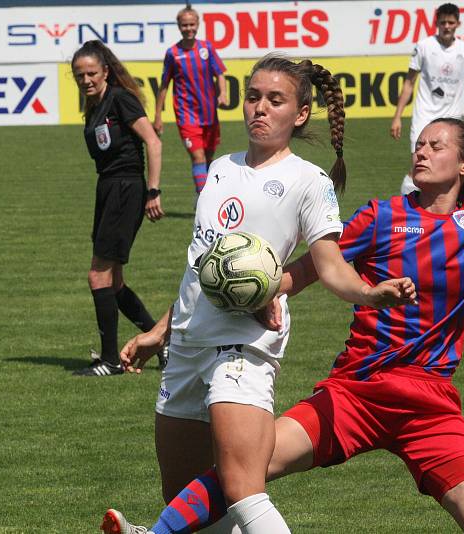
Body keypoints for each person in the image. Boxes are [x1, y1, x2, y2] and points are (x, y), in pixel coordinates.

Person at [102, 44, 464, 533]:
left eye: (436, 146)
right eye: (420, 144)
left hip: (430, 401)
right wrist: (264, 291)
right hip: (356, 391)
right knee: (245, 469)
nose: (421, 151)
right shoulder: (381, 216)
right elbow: (313, 267)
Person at [100, 54, 417, 534]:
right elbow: (201, 268)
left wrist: (370, 294)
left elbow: (329, 266)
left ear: (301, 113)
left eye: (275, 100)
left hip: (242, 346)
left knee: (241, 487)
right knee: (185, 501)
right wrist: (158, 333)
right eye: (253, 97)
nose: (259, 109)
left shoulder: (309, 180)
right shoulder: (221, 169)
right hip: (186, 343)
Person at [70, 40, 167, 377]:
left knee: (98, 275)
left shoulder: (120, 99)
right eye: (79, 75)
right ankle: (164, 342)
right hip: (108, 189)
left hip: (126, 188)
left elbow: (152, 142)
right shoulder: (93, 104)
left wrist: (153, 190)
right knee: (113, 282)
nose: (86, 80)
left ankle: (110, 360)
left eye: (92, 73)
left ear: (106, 71)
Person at [391, 2, 464, 195]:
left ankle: (446, 206)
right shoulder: (424, 46)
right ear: (437, 23)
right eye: (443, 22)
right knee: (418, 163)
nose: (447, 26)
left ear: (458, 23)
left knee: (451, 166)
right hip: (424, 115)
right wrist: (397, 116)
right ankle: (407, 205)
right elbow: (409, 83)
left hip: (452, 117)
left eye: (450, 22)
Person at [153, 4, 229, 196]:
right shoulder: (172, 53)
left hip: (209, 112)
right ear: (179, 26)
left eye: (191, 24)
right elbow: (164, 86)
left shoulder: (207, 48)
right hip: (187, 114)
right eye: (184, 25)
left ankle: (209, 196)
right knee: (198, 157)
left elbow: (220, 73)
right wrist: (158, 117)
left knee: (209, 158)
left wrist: (223, 93)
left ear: (197, 24)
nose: (188, 28)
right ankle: (203, 198)